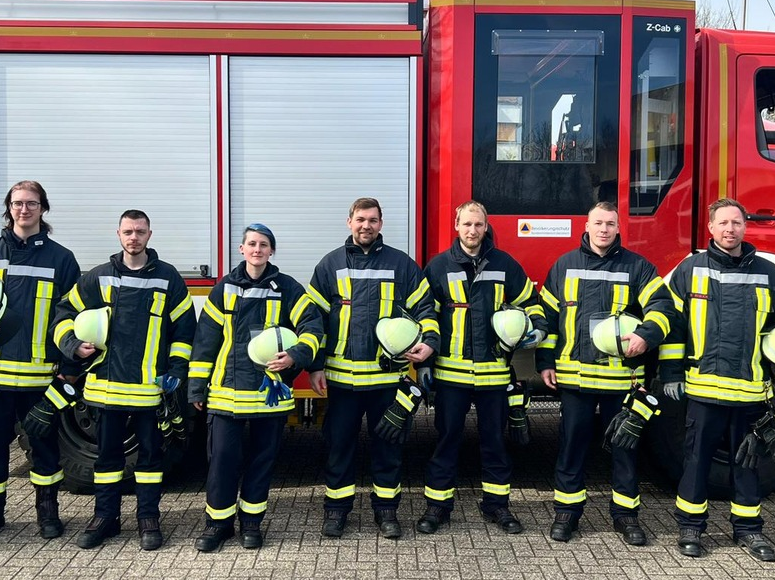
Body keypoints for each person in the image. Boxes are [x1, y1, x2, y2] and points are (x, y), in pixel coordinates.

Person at [660, 198, 775, 562]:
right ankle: (691, 528)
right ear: (710, 228)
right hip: (702, 391)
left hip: (750, 394)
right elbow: (671, 326)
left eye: (736, 223)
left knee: (747, 463)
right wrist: (671, 373)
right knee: (695, 462)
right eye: (723, 223)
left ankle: (748, 531)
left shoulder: (769, 273)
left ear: (745, 227)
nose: (730, 229)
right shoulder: (690, 270)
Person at [52, 209, 196, 550]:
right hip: (105, 389)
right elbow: (64, 313)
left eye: (140, 232)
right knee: (107, 461)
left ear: (150, 234)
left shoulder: (168, 278)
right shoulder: (98, 277)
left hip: (149, 392)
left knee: (149, 461)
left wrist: (176, 369)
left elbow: (185, 328)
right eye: (128, 231)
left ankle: (148, 519)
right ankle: (105, 518)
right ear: (118, 234)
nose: (134, 237)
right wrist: (72, 346)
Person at [0, 181, 80, 544]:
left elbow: (72, 314)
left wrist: (68, 365)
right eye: (18, 203)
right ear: (9, 208)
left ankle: (48, 513)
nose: (25, 210)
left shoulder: (61, 259)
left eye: (32, 204)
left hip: (40, 374)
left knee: (44, 446)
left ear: (43, 209)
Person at [537, 201, 674, 545]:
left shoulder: (638, 267)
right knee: (572, 446)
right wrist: (545, 361)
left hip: (622, 380)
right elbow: (548, 318)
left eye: (610, 224)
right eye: (598, 223)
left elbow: (663, 307)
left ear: (618, 228)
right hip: (575, 379)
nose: (603, 229)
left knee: (625, 448)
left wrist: (646, 335)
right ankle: (566, 515)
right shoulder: (564, 266)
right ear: (586, 226)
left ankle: (626, 516)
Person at [306, 197, 439, 539]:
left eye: (373, 220)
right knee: (339, 448)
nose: (366, 225)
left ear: (381, 224)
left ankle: (387, 513)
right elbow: (313, 321)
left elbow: (426, 309)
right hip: (342, 381)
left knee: (388, 448)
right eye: (360, 219)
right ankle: (336, 513)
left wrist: (429, 343)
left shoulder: (402, 265)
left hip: (386, 379)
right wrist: (316, 366)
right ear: (348, 221)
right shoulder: (330, 265)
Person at [189, 223, 324, 552]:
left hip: (269, 396)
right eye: (251, 243)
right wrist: (196, 388)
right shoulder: (224, 289)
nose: (257, 249)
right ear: (242, 249)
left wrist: (295, 356)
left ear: (271, 251)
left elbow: (312, 326)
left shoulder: (288, 288)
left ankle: (251, 524)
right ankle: (217, 526)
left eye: (264, 244)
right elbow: (205, 341)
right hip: (226, 394)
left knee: (261, 462)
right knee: (222, 461)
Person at [417, 200, 547, 535]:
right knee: (447, 441)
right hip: (450, 375)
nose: (472, 231)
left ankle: (498, 507)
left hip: (494, 374)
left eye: (478, 225)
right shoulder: (438, 266)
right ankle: (437, 507)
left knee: (495, 442)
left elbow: (531, 303)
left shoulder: (505, 264)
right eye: (467, 224)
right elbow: (425, 316)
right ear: (455, 226)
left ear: (486, 227)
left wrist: (536, 329)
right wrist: (425, 364)